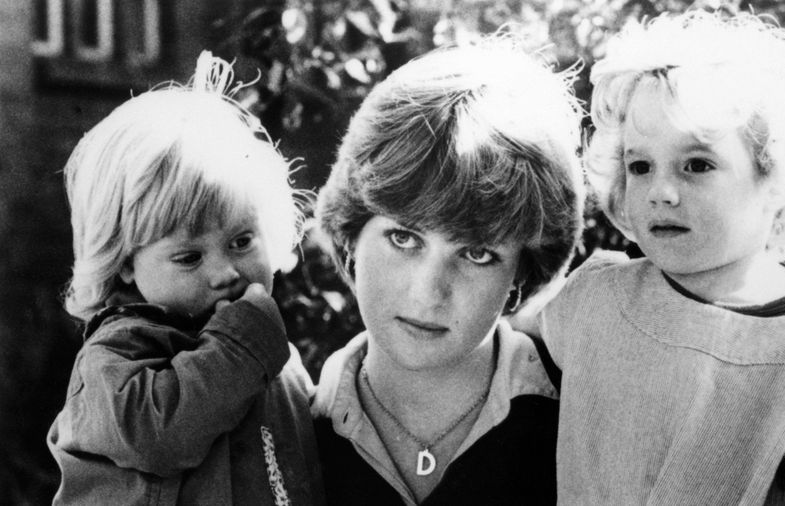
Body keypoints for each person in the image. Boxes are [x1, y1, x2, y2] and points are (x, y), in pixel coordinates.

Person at [536, 10, 785, 504]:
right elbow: (504, 361)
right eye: (640, 166)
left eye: (697, 165)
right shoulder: (596, 295)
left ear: (775, 180)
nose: (661, 191)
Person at [311, 40, 585, 505]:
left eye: (476, 254)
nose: (428, 293)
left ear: (522, 272)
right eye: (404, 239)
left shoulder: (583, 421)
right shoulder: (282, 431)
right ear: (352, 233)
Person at [47, 52, 324, 505]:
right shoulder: (117, 356)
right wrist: (240, 347)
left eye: (242, 241)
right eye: (190, 257)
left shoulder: (270, 354)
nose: (226, 273)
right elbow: (157, 436)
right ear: (126, 261)